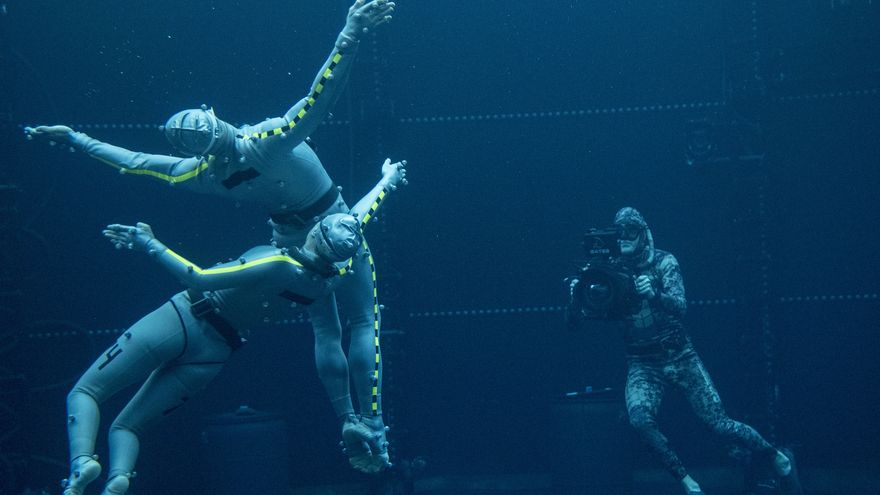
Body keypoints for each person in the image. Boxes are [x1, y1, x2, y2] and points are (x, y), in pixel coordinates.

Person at [25, 0, 396, 473]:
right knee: (363, 321)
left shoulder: (205, 174)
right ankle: (372, 422)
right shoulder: (265, 142)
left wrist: (78, 139)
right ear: (213, 115)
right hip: (334, 225)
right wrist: (349, 35)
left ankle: (347, 418)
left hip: (291, 247)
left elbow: (137, 162)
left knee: (327, 329)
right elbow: (319, 98)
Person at [60, 159, 406, 495]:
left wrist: (150, 243)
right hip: (213, 355)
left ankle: (81, 463)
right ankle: (119, 479)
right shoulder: (326, 282)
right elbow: (355, 222)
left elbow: (197, 277)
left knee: (86, 392)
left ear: (316, 232)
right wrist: (385, 183)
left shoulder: (278, 262)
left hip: (186, 318)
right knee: (128, 425)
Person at [567, 207, 799, 495]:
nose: (625, 237)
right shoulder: (608, 271)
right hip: (642, 362)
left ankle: (772, 453)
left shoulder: (664, 262)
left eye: (631, 231)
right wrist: (577, 298)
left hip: (680, 355)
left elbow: (680, 307)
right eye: (620, 232)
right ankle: (687, 481)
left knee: (719, 424)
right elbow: (582, 320)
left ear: (643, 234)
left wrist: (655, 294)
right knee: (640, 420)